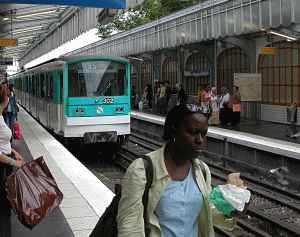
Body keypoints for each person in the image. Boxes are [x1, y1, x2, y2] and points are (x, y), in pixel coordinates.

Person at [117, 104, 249, 237]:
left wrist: (229, 212)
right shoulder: (142, 169)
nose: (200, 140)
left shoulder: (202, 170)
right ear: (174, 131)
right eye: (193, 132)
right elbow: (129, 226)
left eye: (204, 134)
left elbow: (207, 211)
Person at [0, 84, 25, 236]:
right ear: (4, 98)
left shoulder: (1, 116)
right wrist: (13, 162)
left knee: (5, 206)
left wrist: (14, 151)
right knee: (3, 207)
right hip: (1, 169)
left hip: (5, 166)